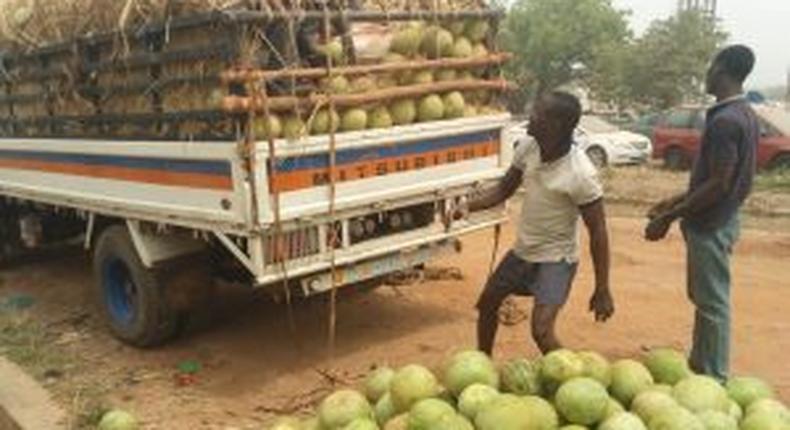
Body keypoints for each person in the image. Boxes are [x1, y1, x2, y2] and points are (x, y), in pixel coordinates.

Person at [450, 91, 614, 356]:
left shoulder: (581, 174)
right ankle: (483, 362)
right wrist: (467, 206)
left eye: (539, 113)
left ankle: (572, 378)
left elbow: (598, 231)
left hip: (556, 259)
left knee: (541, 330)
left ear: (557, 126)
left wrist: (603, 288)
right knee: (488, 304)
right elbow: (504, 189)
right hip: (523, 252)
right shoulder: (528, 147)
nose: (531, 117)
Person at [645, 45, 758, 382]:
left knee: (712, 303)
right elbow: (714, 180)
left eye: (710, 67)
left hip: (712, 223)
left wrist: (670, 216)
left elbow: (720, 183)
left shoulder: (725, 120)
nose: (706, 75)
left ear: (721, 69)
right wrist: (672, 201)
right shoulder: (744, 113)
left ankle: (715, 376)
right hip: (722, 218)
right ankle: (702, 364)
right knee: (706, 298)